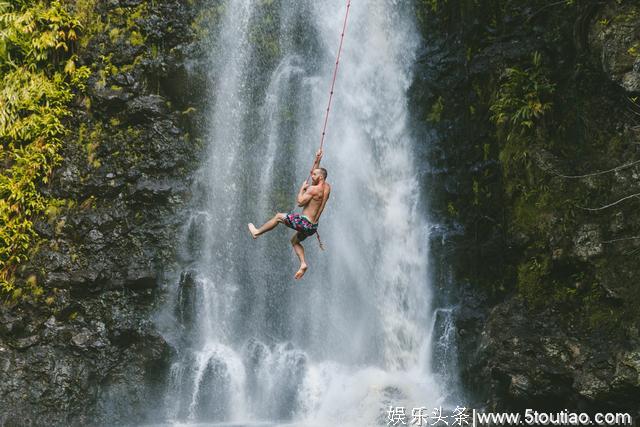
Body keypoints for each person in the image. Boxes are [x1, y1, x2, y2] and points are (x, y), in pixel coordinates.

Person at [248, 149, 331, 279]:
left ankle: (257, 232)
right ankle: (303, 264)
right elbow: (317, 177)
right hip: (313, 227)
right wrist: (318, 160)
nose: (311, 175)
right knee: (294, 241)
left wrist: (302, 189)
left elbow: (300, 202)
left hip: (305, 223)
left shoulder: (313, 190)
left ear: (320, 177)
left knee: (279, 217)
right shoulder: (327, 188)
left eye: (314, 175)